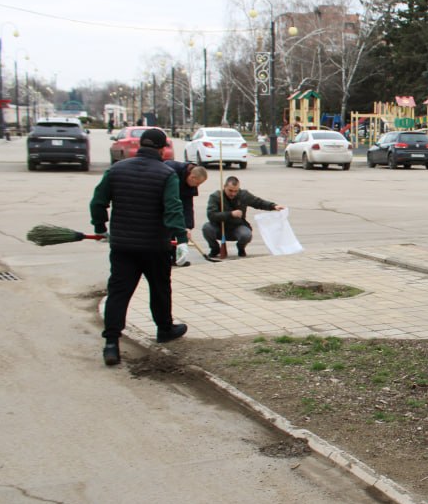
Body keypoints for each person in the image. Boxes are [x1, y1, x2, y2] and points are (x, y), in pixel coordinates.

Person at [89, 127, 189, 366]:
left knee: (119, 293)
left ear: (141, 145)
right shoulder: (166, 175)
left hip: (123, 246)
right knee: (160, 288)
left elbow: (98, 201)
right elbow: (173, 209)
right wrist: (181, 240)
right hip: (155, 246)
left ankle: (111, 344)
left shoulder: (116, 170)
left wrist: (100, 227)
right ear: (163, 148)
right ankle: (164, 329)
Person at [202, 176, 284, 258]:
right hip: (219, 227)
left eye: (236, 191)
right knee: (206, 228)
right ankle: (215, 248)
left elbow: (258, 202)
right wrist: (230, 214)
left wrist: (273, 206)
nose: (233, 194)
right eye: (230, 190)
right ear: (224, 187)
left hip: (237, 226)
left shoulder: (243, 195)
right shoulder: (216, 196)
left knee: (246, 234)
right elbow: (211, 215)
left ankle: (241, 247)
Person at [164, 160, 209, 264]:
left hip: (176, 204)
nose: (197, 186)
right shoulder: (172, 169)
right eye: (197, 183)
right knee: (168, 229)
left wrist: (188, 226)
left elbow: (188, 206)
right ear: (192, 177)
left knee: (179, 229)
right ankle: (167, 258)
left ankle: (176, 258)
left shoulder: (191, 185)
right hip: (163, 202)